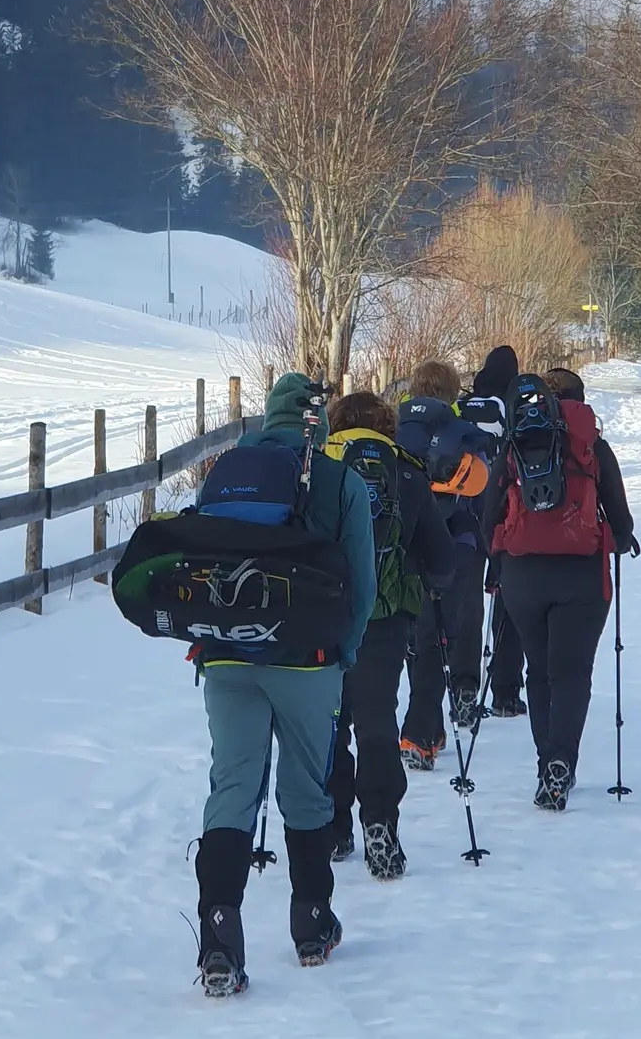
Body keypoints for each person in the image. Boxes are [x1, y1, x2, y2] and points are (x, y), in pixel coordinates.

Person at [193, 373, 377, 996]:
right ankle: (312, 923)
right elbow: (363, 583)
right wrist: (343, 654)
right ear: (319, 424)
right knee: (306, 789)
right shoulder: (340, 480)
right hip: (307, 660)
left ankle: (218, 935)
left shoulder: (227, 470)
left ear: (268, 417)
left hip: (224, 657)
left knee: (232, 789)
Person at [485, 366, 637, 810]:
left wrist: (499, 557)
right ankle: (562, 763)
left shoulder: (514, 446)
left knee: (539, 669)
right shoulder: (593, 448)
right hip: (582, 577)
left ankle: (544, 763)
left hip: (523, 577)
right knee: (572, 674)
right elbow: (622, 523)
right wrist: (619, 538)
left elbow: (488, 514)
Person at [322, 390, 456, 879]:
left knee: (327, 725)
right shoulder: (406, 472)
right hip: (384, 620)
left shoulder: (318, 467)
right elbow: (441, 559)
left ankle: (333, 828)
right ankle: (380, 824)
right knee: (376, 722)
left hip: (325, 617)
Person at [395, 359, 491, 768]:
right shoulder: (467, 434)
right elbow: (483, 497)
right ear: (453, 394)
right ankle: (424, 731)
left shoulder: (393, 432)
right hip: (455, 546)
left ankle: (424, 732)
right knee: (442, 637)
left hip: (402, 551)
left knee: (418, 640)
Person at [464, 345, 526, 717]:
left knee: (468, 606)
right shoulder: (516, 403)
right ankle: (505, 690)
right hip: (505, 513)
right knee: (508, 603)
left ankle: (465, 685)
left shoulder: (468, 404)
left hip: (465, 511)